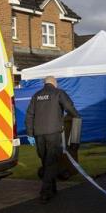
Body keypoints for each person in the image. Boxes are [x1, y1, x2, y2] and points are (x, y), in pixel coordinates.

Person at [25, 76, 81, 204]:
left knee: (46, 161)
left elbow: (29, 115)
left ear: (44, 83)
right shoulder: (58, 93)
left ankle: (52, 188)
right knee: (51, 162)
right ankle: (45, 192)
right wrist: (77, 116)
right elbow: (69, 107)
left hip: (38, 134)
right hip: (53, 133)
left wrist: (29, 134)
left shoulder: (36, 95)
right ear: (54, 83)